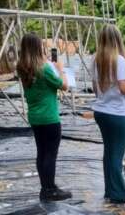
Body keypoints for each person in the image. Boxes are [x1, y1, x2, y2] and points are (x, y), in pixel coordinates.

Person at [17, 33, 72, 202]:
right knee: (50, 155)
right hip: (49, 117)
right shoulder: (45, 69)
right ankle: (50, 190)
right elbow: (64, 86)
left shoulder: (23, 68)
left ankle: (46, 187)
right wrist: (60, 69)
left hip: (35, 117)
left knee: (41, 153)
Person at [92, 24, 125, 204]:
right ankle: (119, 193)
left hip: (101, 112)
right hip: (117, 114)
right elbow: (124, 88)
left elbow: (95, 88)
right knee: (116, 154)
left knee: (109, 152)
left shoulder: (96, 60)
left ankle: (110, 190)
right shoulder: (119, 60)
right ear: (117, 39)